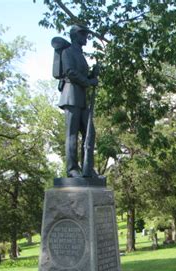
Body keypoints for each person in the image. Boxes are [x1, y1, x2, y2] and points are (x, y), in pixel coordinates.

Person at [58, 24, 98, 178]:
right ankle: (72, 169)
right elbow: (70, 72)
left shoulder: (81, 55)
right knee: (72, 134)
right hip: (71, 96)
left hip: (82, 99)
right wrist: (88, 82)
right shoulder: (67, 52)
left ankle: (88, 168)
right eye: (83, 35)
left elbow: (82, 76)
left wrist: (92, 76)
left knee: (90, 133)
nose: (85, 38)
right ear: (75, 36)